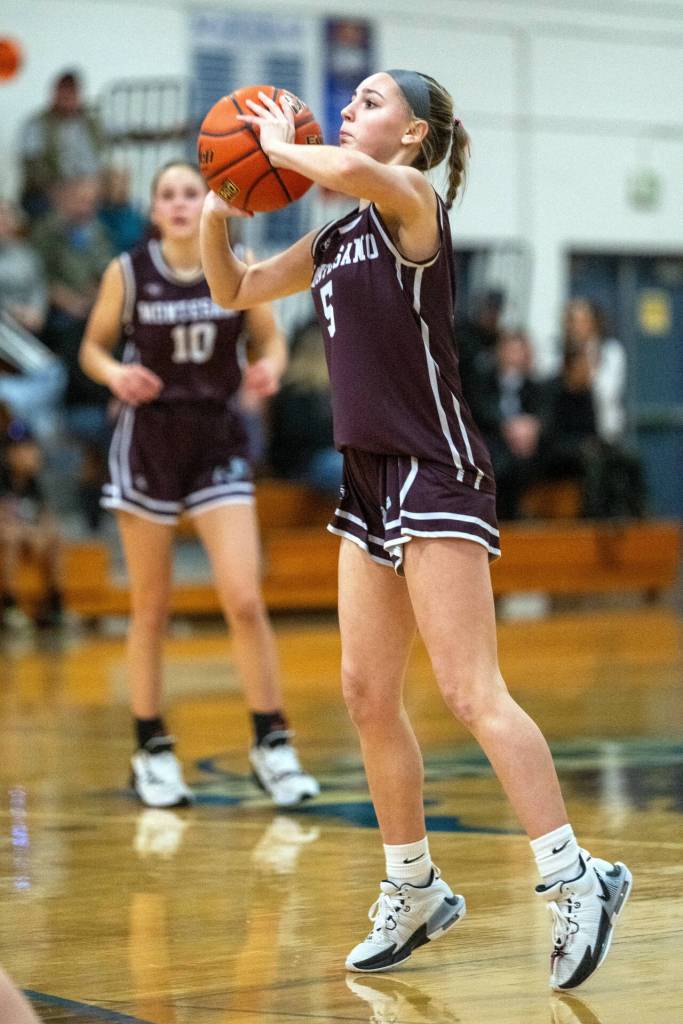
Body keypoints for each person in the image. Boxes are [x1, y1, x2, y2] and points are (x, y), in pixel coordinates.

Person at [199, 71, 632, 990]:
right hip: (367, 478)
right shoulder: (332, 237)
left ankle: (575, 877)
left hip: (434, 467)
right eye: (349, 101)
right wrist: (218, 200)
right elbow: (233, 287)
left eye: (369, 101)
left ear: (411, 135)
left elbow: (348, 174)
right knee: (365, 693)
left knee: (471, 692)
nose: (348, 109)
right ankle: (414, 885)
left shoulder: (410, 202)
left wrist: (275, 149)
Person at [79, 160, 319, 811]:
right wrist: (115, 375)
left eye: (192, 192)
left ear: (211, 203)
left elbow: (268, 343)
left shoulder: (237, 263)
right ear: (155, 209)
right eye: (169, 194)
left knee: (244, 598)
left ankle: (272, 742)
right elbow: (92, 349)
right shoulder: (128, 272)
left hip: (216, 439)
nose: (182, 203)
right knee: (151, 606)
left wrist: (268, 371)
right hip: (150, 441)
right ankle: (150, 748)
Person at [470, 329, 549, 520]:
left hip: (528, 447)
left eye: (518, 351)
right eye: (510, 350)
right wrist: (508, 428)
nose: (514, 356)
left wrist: (530, 428)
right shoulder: (484, 382)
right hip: (494, 442)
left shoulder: (535, 386)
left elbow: (544, 415)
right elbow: (480, 411)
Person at [0, 418, 66, 629]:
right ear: (10, 454)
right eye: (25, 449)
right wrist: (29, 532)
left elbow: (47, 518)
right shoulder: (3, 480)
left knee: (55, 536)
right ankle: (9, 605)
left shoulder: (33, 483)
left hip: (25, 537)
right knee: (11, 536)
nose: (33, 454)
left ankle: (54, 604)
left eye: (32, 448)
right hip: (11, 538)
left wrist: (41, 533)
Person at [268, 316, 342, 496]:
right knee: (346, 468)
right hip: (303, 466)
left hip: (327, 459)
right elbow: (295, 440)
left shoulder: (335, 389)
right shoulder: (295, 391)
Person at [19, 69, 104, 222]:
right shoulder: (37, 124)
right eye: (64, 92)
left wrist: (91, 186)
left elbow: (97, 160)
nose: (68, 97)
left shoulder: (90, 124)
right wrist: (59, 189)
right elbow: (33, 167)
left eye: (72, 92)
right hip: (50, 190)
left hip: (87, 187)